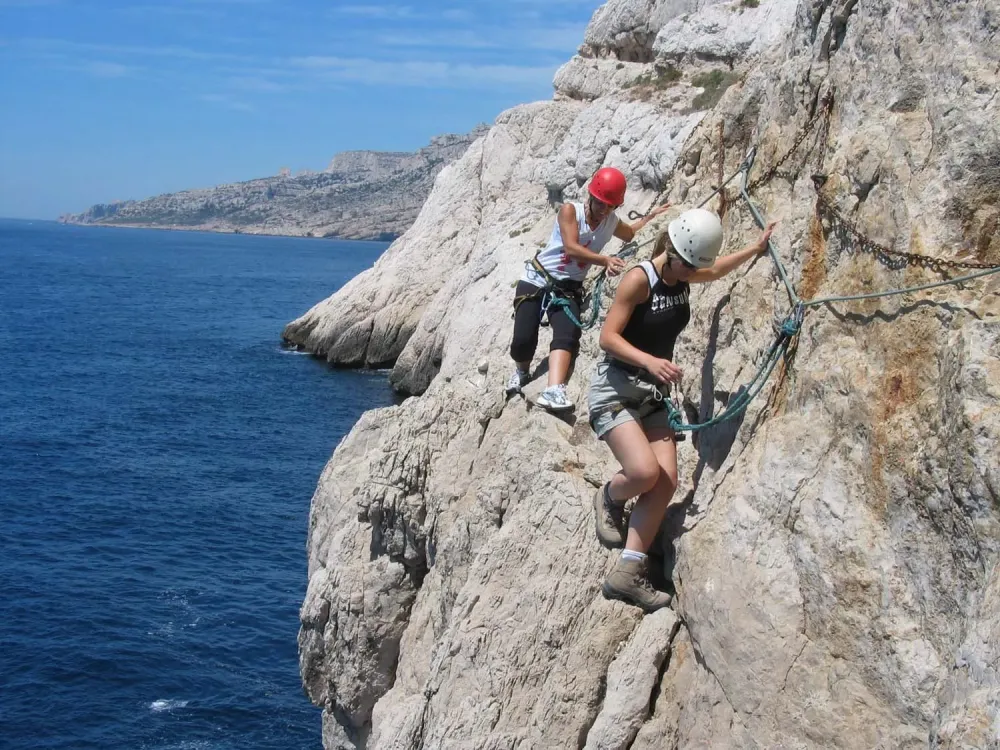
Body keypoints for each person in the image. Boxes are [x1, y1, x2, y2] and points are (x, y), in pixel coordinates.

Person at [588, 207, 777, 612]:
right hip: (615, 390)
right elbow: (608, 337)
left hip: (650, 394)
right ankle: (608, 496)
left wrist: (754, 249)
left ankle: (628, 571)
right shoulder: (640, 280)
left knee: (667, 480)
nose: (694, 274)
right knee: (643, 473)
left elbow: (716, 270)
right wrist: (650, 362)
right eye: (689, 266)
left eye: (695, 267)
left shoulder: (683, 275)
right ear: (673, 252)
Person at [506, 167, 671, 411]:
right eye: (601, 203)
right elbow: (571, 247)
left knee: (567, 334)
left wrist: (651, 217)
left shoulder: (610, 221)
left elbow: (630, 232)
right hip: (538, 279)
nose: (604, 211)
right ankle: (521, 371)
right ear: (591, 197)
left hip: (568, 288)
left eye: (611, 206)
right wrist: (605, 261)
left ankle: (553, 390)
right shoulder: (570, 211)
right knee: (523, 339)